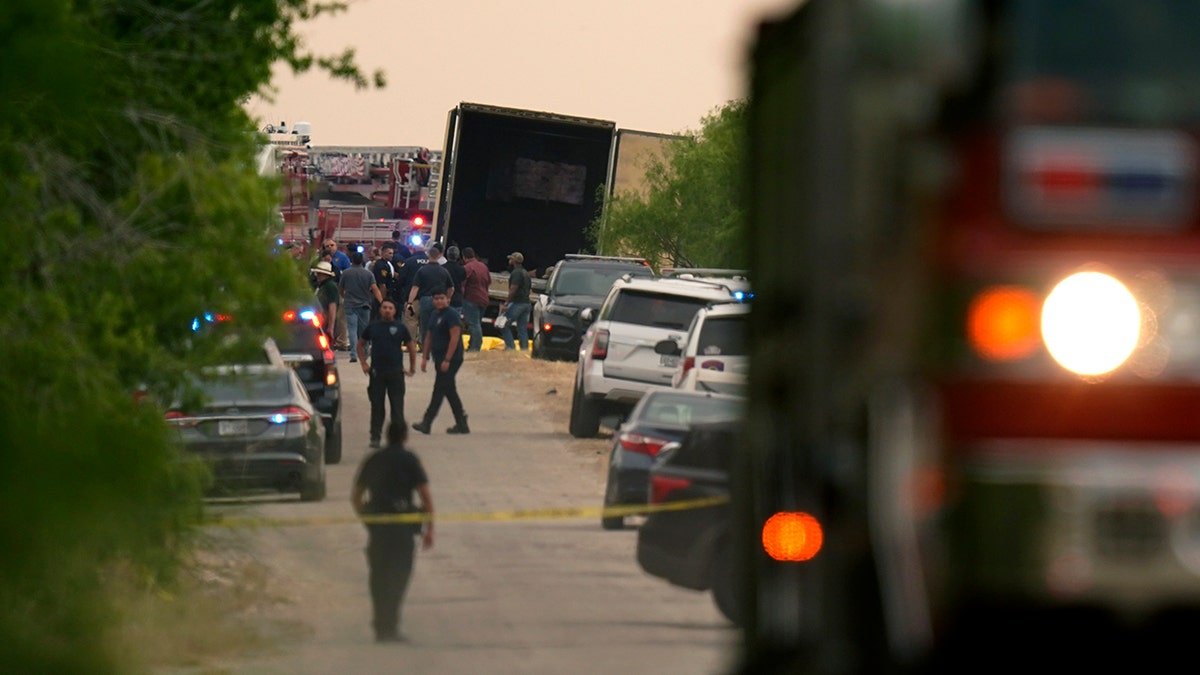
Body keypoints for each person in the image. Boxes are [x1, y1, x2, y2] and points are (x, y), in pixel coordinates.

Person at [351, 420, 434, 643]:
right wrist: (429, 530)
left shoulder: (374, 459)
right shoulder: (410, 460)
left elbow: (356, 496)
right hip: (402, 529)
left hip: (379, 528)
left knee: (378, 576)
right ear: (405, 437)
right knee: (399, 577)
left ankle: (381, 625)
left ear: (387, 436)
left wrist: (366, 520)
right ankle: (391, 625)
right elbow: (425, 497)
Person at [357, 299, 417, 448]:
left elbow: (411, 347)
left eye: (390, 308)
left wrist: (412, 367)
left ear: (395, 311)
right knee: (377, 407)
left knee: (397, 408)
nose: (387, 310)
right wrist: (364, 363)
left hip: (396, 373)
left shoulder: (400, 327)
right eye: (384, 307)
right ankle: (375, 437)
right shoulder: (373, 327)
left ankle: (397, 440)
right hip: (377, 373)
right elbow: (360, 344)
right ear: (380, 310)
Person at [412, 287, 469, 434]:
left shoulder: (452, 315)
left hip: (452, 358)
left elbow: (455, 338)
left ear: (448, 299)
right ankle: (462, 423)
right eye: (436, 299)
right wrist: (424, 357)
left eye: (442, 298)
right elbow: (428, 337)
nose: (439, 301)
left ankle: (427, 421)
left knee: (439, 389)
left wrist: (447, 359)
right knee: (449, 390)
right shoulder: (434, 314)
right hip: (438, 357)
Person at [407, 242, 453, 345]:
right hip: (440, 300)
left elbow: (415, 288)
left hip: (426, 300)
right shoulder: (444, 271)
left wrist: (410, 302)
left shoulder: (422, 270)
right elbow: (451, 288)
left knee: (425, 326)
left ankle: (425, 348)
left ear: (428, 255)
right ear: (439, 256)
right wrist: (448, 298)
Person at [339, 251, 376, 363]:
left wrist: (344, 296)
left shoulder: (346, 273)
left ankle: (354, 354)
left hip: (350, 304)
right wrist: (381, 301)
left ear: (352, 260)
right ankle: (364, 352)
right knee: (364, 330)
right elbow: (374, 288)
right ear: (362, 261)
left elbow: (341, 288)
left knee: (352, 330)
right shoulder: (368, 274)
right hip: (364, 304)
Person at [500, 251, 532, 351]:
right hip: (526, 303)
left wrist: (506, 303)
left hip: (517, 303)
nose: (509, 260)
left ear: (514, 261)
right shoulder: (526, 273)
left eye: (511, 259)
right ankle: (524, 350)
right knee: (522, 329)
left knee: (503, 324)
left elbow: (513, 288)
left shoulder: (516, 273)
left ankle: (510, 347)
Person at [461, 247, 491, 352]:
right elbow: (488, 281)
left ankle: (475, 347)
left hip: (471, 299)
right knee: (477, 323)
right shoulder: (483, 267)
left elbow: (462, 284)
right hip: (484, 299)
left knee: (473, 324)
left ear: (464, 257)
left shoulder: (467, 267)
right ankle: (472, 345)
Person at [311, 260, 339, 341]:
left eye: (320, 274)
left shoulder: (330, 286)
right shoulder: (321, 286)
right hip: (320, 321)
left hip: (326, 321)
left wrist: (331, 327)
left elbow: (332, 307)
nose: (317, 276)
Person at [371, 242, 400, 321]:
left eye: (392, 253)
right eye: (389, 253)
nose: (392, 255)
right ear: (383, 253)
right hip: (381, 295)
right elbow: (382, 285)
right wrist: (382, 301)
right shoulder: (381, 265)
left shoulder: (388, 264)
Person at [443, 246, 466, 312]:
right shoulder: (462, 269)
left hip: (444, 298)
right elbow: (463, 284)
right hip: (457, 300)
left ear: (447, 255)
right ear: (458, 256)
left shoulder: (443, 268)